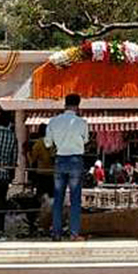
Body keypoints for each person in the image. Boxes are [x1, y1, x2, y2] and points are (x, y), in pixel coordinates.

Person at [44, 94, 90, 242]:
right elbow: (86, 140)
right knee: (75, 198)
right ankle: (74, 233)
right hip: (76, 160)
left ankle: (56, 233)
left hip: (60, 159)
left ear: (65, 105)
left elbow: (47, 143)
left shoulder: (53, 121)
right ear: (78, 106)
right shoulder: (82, 122)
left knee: (58, 198)